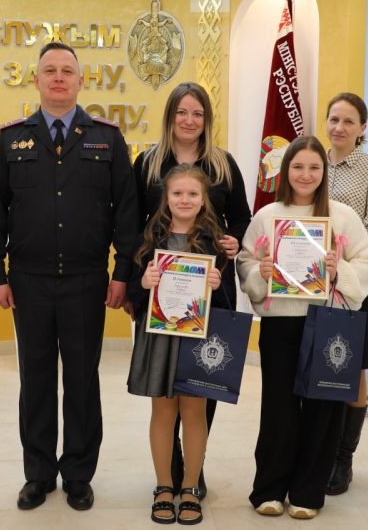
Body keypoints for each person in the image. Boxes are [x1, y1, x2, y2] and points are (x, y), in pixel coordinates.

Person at [0, 41, 139, 512]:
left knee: (82, 381)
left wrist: (122, 274)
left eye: (67, 71)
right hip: (28, 281)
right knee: (36, 380)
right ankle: (38, 474)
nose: (58, 78)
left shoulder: (107, 139)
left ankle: (78, 475)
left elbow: (126, 214)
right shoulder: (11, 140)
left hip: (87, 281)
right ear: (36, 80)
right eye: (49, 70)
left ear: (80, 81)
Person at [237, 136, 368, 520]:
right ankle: (269, 488)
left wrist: (338, 269)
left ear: (324, 171)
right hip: (280, 323)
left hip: (326, 323)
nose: (305, 174)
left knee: (322, 410)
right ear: (286, 171)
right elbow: (245, 261)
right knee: (278, 408)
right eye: (298, 166)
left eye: (314, 167)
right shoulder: (267, 215)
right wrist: (260, 271)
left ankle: (307, 493)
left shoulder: (343, 216)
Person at [132, 81, 251, 497]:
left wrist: (234, 242)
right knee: (165, 393)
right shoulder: (148, 163)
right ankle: (171, 474)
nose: (189, 120)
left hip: (212, 287)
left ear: (207, 119)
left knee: (203, 387)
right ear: (170, 117)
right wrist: (138, 286)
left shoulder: (223, 164)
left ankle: (191, 474)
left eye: (197, 113)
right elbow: (133, 226)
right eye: (182, 112)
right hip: (160, 291)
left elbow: (242, 218)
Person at [127, 164, 228, 525]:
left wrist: (217, 284)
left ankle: (190, 488)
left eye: (192, 194)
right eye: (177, 193)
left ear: (203, 199)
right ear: (166, 198)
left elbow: (226, 305)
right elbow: (135, 296)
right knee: (163, 413)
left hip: (197, 340)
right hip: (160, 338)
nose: (185, 200)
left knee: (195, 412)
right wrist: (144, 282)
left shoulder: (215, 241)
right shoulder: (150, 238)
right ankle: (163, 486)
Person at [324, 92, 368, 496]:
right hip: (311, 282)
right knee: (317, 362)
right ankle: (319, 450)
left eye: (349, 121)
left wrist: (339, 262)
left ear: (362, 128)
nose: (339, 127)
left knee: (352, 368)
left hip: (356, 283)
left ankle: (343, 459)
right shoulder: (311, 161)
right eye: (334, 119)